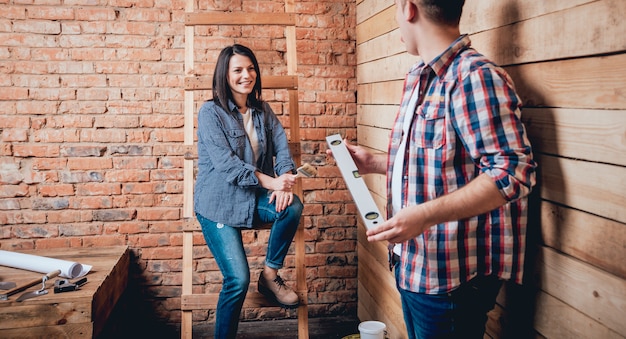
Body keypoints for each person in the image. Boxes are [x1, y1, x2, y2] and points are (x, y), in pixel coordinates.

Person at [328, 1, 537, 338]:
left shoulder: (474, 76)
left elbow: (513, 172)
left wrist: (423, 217)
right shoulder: (420, 76)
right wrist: (375, 163)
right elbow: (438, 163)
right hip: (414, 265)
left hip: (450, 278)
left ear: (409, 8)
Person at [194, 44, 302, 339]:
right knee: (237, 280)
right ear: (224, 75)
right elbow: (229, 166)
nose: (246, 75)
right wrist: (272, 183)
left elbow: (281, 149)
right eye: (238, 70)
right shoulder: (210, 113)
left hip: (253, 198)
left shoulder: (263, 110)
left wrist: (283, 179)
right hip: (218, 204)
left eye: (251, 68)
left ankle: (269, 276)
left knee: (292, 207)